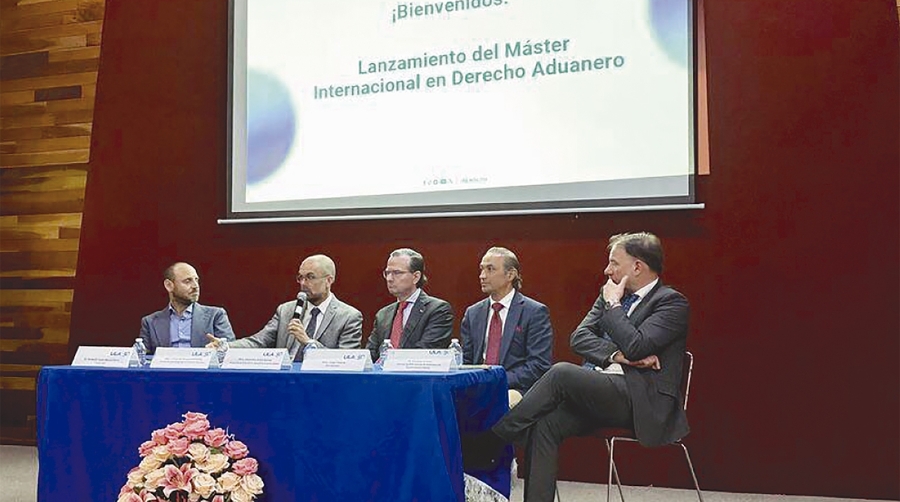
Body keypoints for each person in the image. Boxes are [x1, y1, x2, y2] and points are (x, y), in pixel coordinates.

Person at [465, 232, 690, 502]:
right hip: (601, 393)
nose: (607, 270)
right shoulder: (607, 294)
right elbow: (579, 338)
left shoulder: (670, 302)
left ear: (637, 266)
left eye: (614, 263)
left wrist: (614, 305)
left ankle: (492, 440)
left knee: (561, 373)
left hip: (641, 400)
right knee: (545, 424)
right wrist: (617, 356)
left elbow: (637, 346)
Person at [210, 254, 362, 361]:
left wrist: (308, 342)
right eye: (300, 277)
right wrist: (226, 346)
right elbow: (259, 341)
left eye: (310, 277)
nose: (303, 283)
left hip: (323, 385)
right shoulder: (286, 311)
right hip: (284, 381)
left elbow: (347, 361)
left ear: (329, 280)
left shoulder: (349, 316)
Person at [460, 247, 553, 407]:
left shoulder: (534, 312)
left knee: (503, 404)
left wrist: (496, 379)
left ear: (510, 274)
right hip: (477, 387)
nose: (482, 276)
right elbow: (466, 361)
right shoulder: (473, 313)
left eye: (490, 269)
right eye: (481, 269)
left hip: (514, 388)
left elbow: (539, 365)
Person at [366, 248, 454, 363]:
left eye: (397, 273)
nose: (389, 279)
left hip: (416, 378)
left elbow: (426, 353)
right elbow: (370, 355)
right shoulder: (383, 314)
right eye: (387, 273)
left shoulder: (437, 310)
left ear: (416, 277)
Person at [139, 262, 235, 354]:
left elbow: (231, 350)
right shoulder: (150, 322)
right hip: (166, 370)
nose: (195, 286)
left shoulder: (216, 316)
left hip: (202, 370)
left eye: (196, 280)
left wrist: (222, 347)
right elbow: (142, 357)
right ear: (169, 285)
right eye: (187, 281)